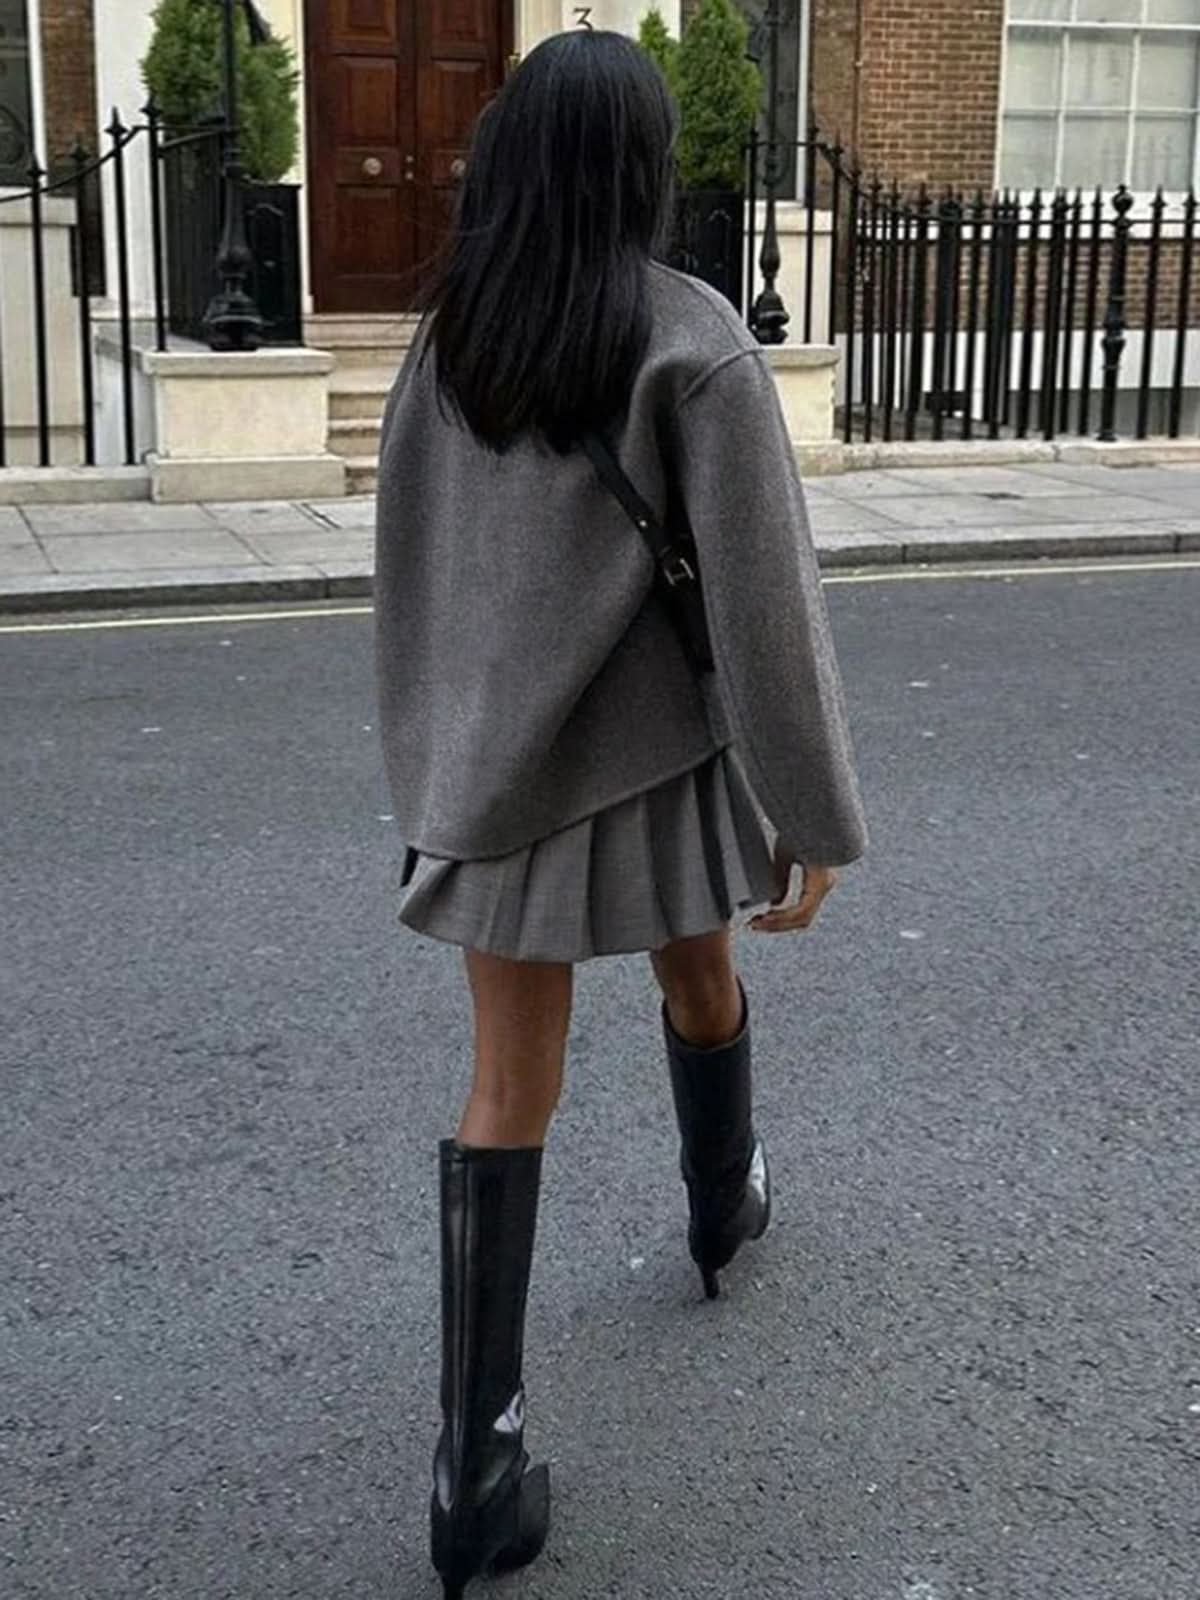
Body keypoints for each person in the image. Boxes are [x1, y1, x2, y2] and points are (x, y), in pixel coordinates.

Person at [374, 29, 867, 1599]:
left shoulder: (450, 342)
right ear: (642, 166)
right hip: (652, 763)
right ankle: (724, 1206)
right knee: (701, 981)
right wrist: (813, 814)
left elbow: (415, 580)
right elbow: (767, 612)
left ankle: (475, 1468)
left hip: (498, 783)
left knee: (505, 1085)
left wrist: (439, 769)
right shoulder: (693, 339)